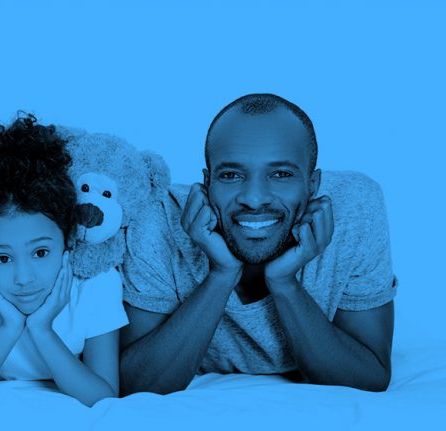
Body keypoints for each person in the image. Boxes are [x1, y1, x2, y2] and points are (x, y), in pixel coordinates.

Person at [119, 93, 396, 395]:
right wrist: (221, 275)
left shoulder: (354, 208)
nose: (254, 198)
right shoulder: (160, 218)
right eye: (231, 175)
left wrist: (284, 282)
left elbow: (371, 375)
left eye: (280, 174)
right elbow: (135, 382)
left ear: (312, 185)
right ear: (207, 183)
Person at [0, 115, 127, 406]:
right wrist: (10, 328)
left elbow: (103, 394)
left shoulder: (98, 282)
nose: (23, 277)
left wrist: (42, 330)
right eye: (3, 258)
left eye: (40, 253)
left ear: (68, 242)